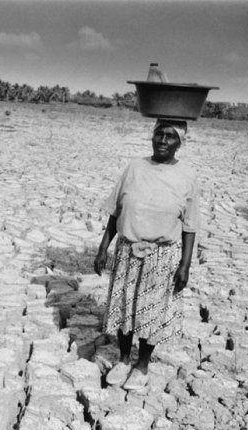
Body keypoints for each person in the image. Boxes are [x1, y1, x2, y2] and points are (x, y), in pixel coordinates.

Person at [94, 119, 199, 392]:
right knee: (123, 306)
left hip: (162, 256)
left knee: (151, 311)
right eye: (159, 134)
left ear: (180, 143)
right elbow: (116, 212)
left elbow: (189, 226)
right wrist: (102, 247)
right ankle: (123, 359)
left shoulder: (186, 176)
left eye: (170, 136)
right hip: (128, 250)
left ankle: (142, 366)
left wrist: (185, 265)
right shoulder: (134, 168)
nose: (163, 140)